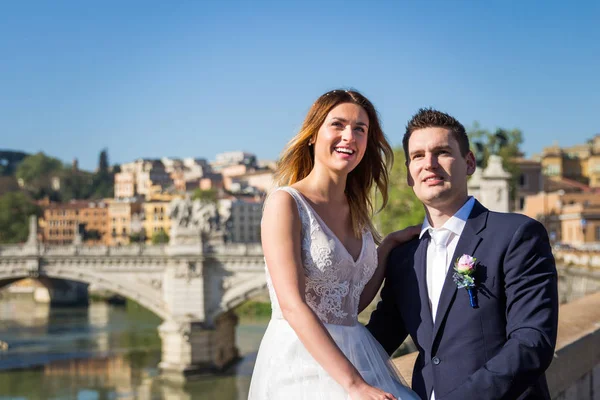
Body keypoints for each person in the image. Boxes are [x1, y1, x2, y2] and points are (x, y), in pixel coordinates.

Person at [367, 108, 559, 399]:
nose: (429, 164)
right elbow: (376, 343)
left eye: (442, 152)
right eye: (418, 156)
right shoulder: (404, 256)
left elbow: (533, 341)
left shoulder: (517, 235)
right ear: (409, 174)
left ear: (469, 163)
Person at [248, 89, 421, 400]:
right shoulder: (286, 203)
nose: (349, 137)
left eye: (360, 129)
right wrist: (354, 385)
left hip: (357, 352)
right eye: (338, 125)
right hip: (301, 360)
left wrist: (388, 246)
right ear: (313, 135)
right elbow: (292, 305)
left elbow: (349, 303)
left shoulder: (357, 210)